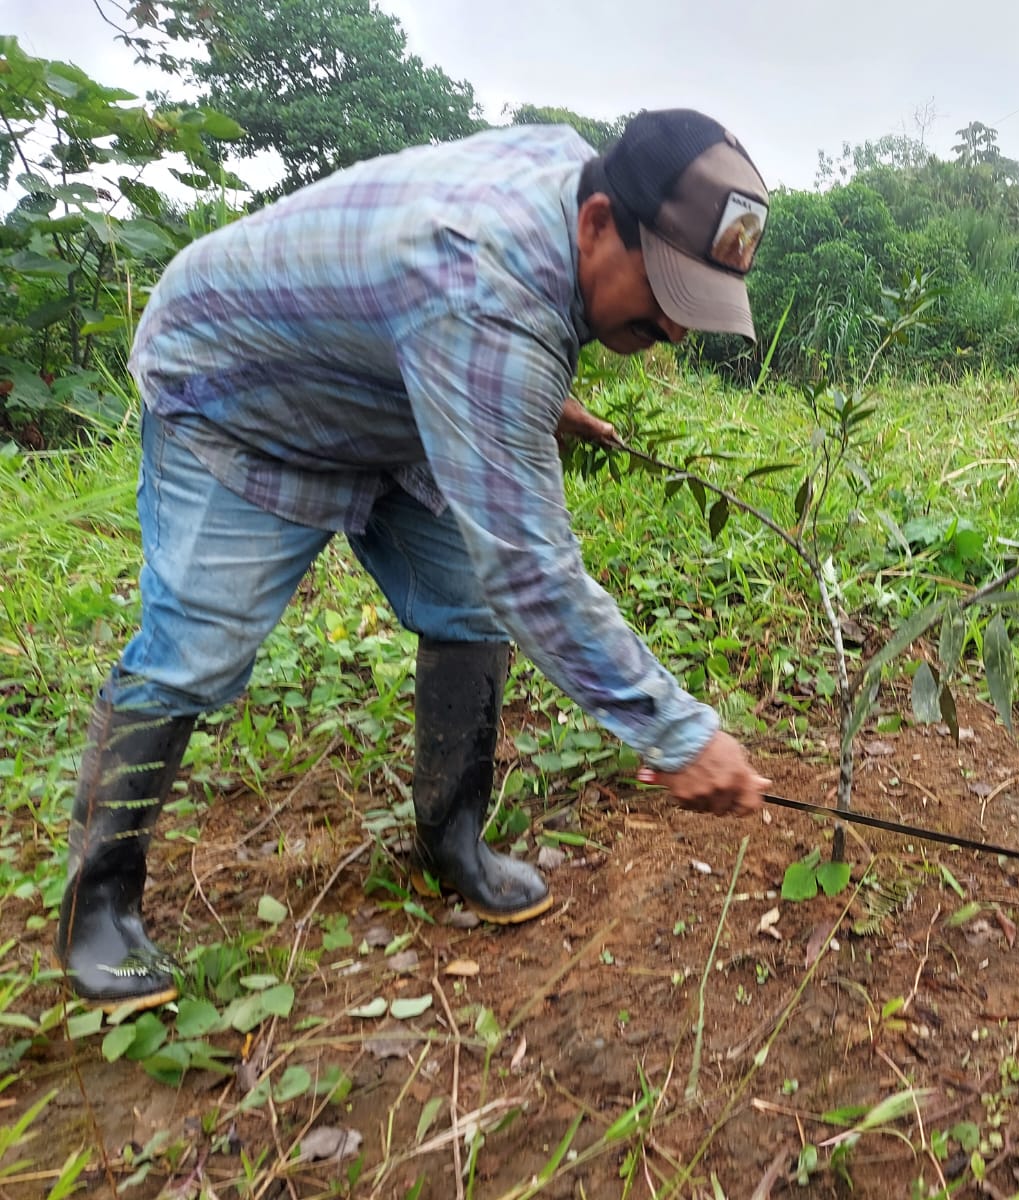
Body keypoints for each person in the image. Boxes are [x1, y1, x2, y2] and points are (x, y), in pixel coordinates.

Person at [58, 109, 775, 1012]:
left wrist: (521, 392)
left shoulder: (565, 175)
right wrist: (680, 734)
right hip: (238, 391)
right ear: (598, 221)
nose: (674, 327)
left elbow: (471, 321)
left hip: (387, 391)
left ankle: (451, 840)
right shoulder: (478, 290)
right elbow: (533, 572)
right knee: (196, 650)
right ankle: (98, 907)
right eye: (667, 292)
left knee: (466, 602)